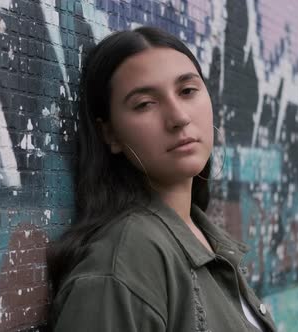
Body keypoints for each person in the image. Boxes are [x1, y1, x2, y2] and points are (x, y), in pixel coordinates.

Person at [46, 26, 277, 332]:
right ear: (110, 133)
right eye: (145, 104)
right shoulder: (124, 261)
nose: (179, 117)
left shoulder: (203, 236)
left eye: (187, 91)